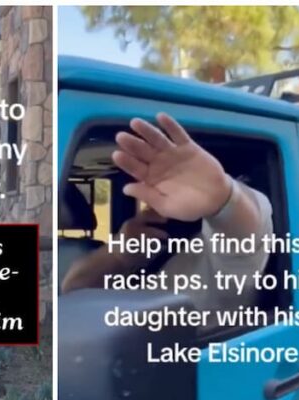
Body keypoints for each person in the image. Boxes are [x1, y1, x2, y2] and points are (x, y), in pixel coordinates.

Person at [61, 113, 273, 313]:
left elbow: (247, 238)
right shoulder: (141, 248)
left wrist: (226, 198)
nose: (155, 200)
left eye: (165, 189)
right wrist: (119, 255)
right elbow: (72, 291)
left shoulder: (221, 263)